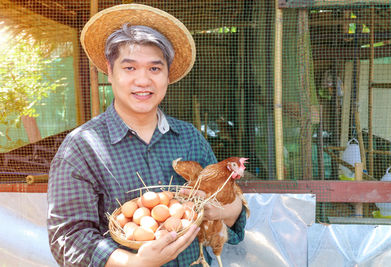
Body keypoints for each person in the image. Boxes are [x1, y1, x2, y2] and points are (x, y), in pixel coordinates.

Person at [47, 4, 246, 267]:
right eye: (130, 68)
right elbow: (68, 238)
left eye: (154, 68)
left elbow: (228, 221)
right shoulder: (82, 148)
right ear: (110, 70)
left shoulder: (190, 138)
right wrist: (132, 263)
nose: (143, 80)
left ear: (167, 74)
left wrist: (231, 211)